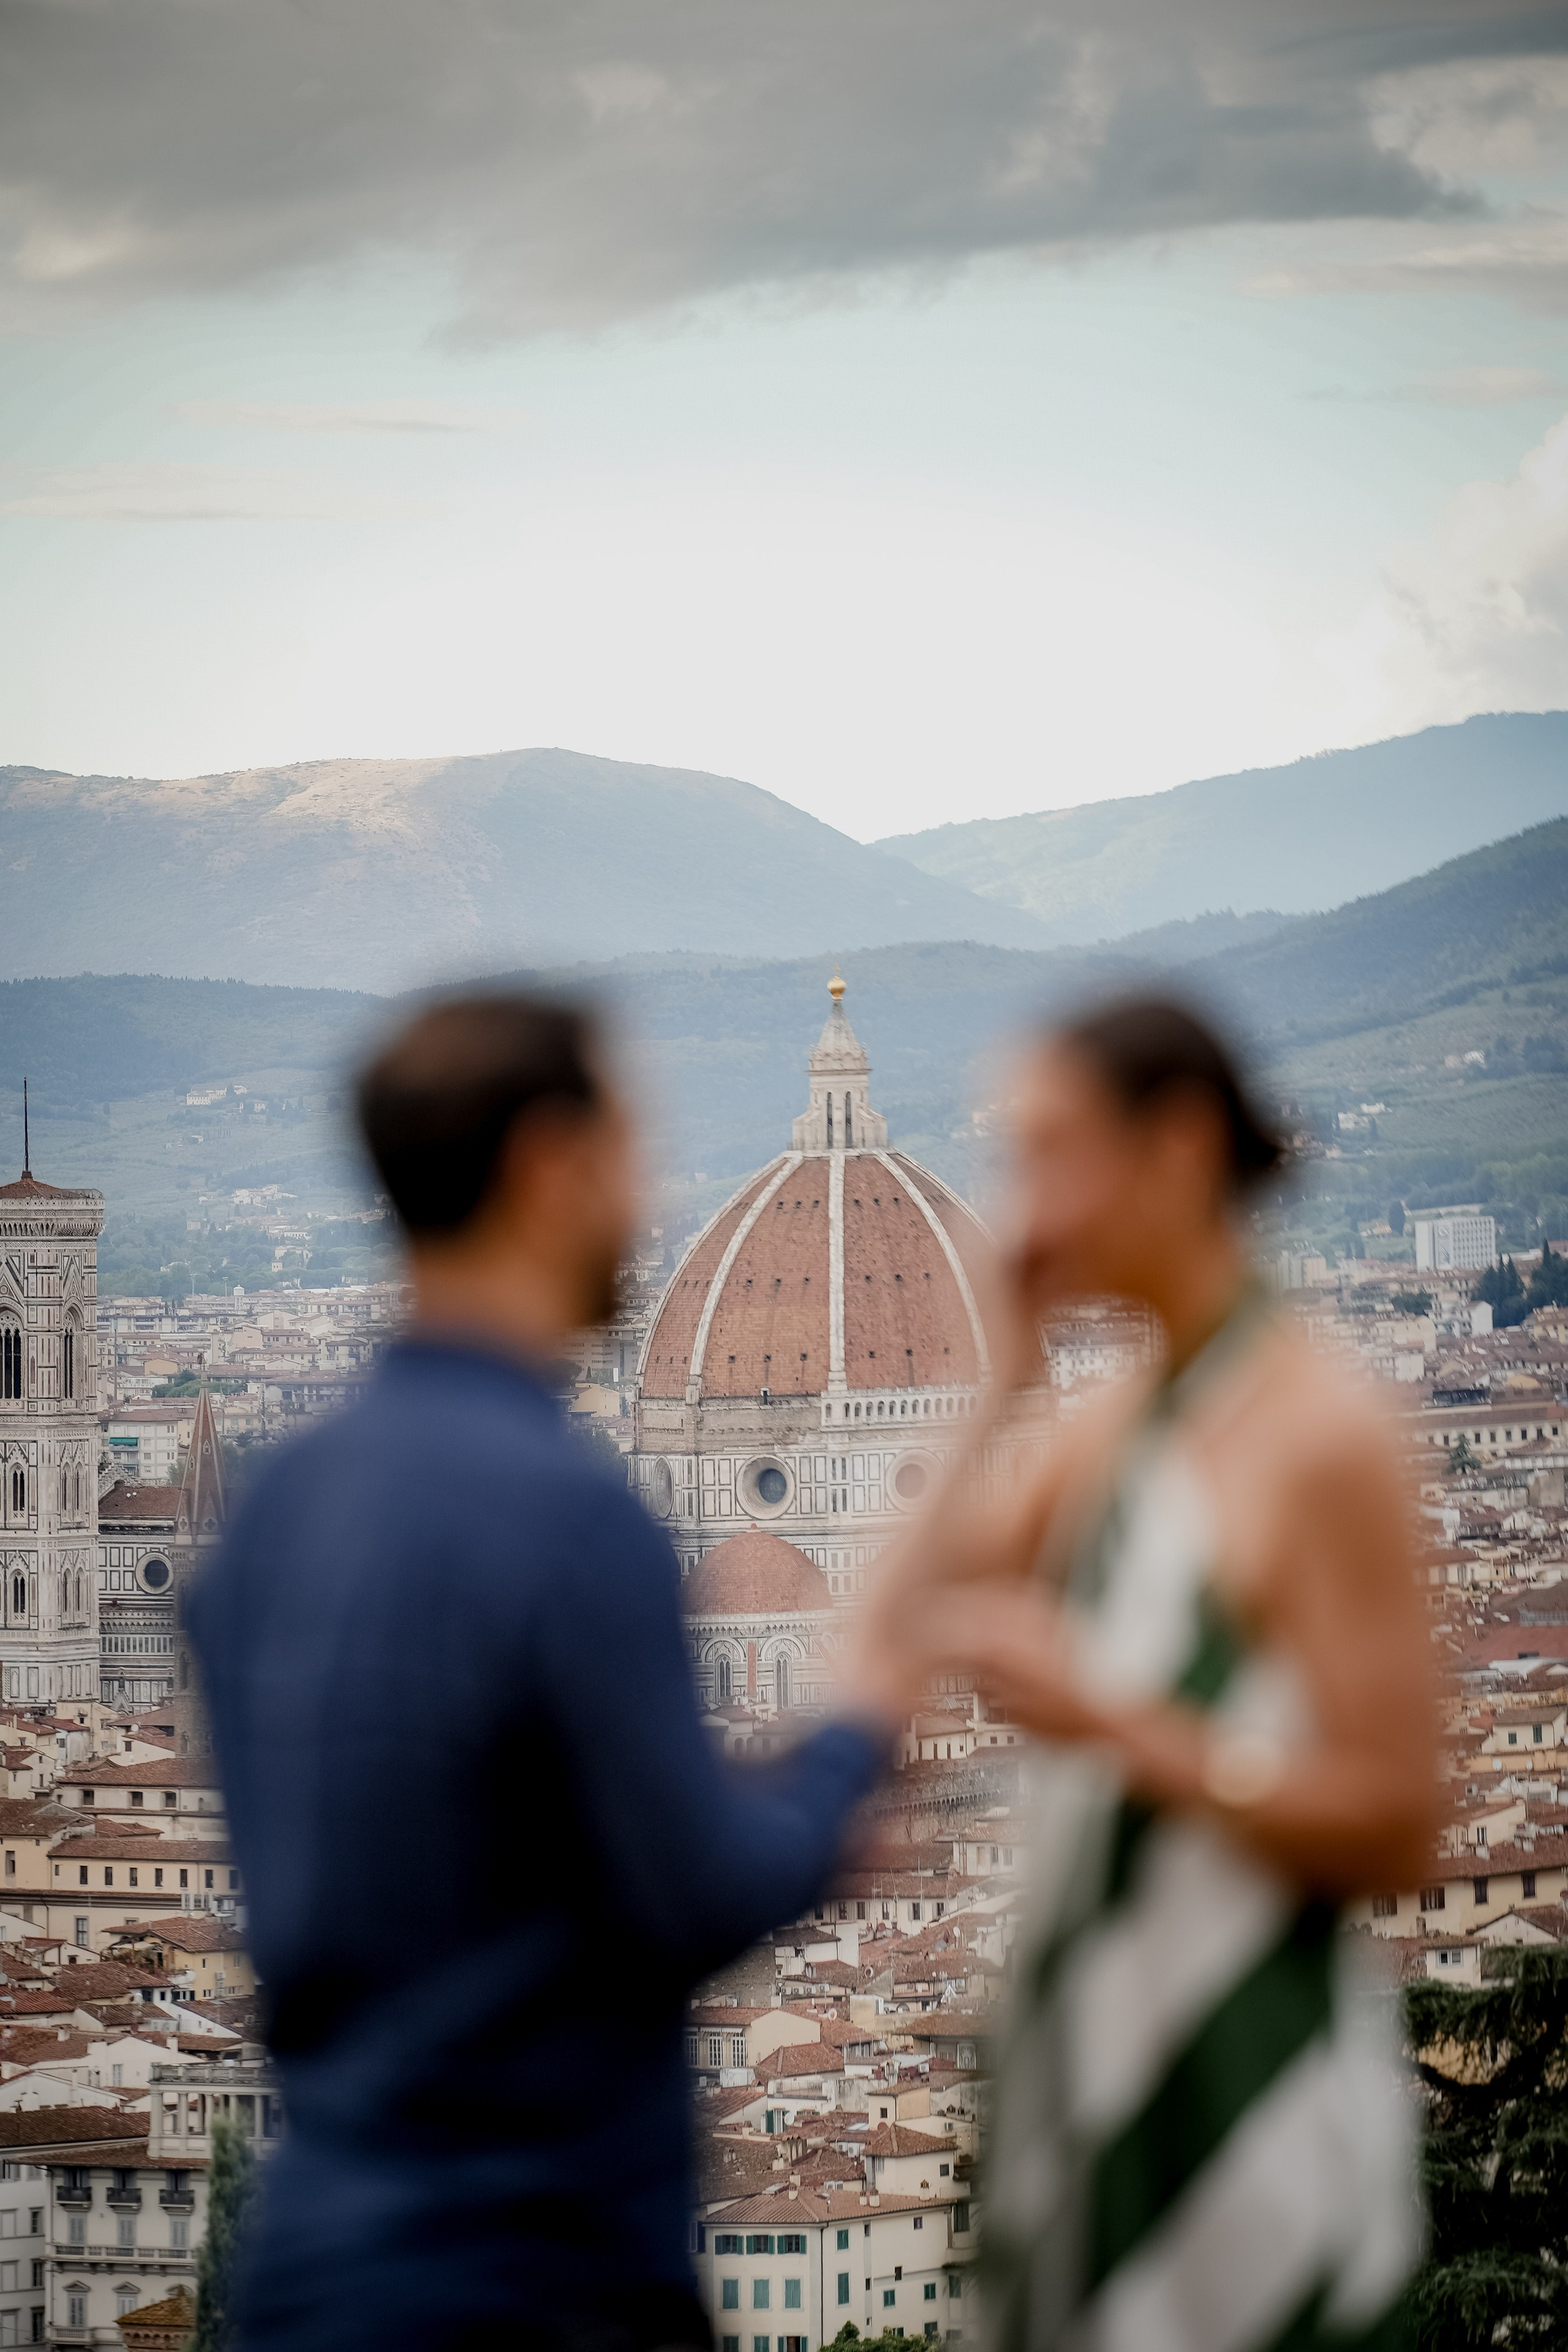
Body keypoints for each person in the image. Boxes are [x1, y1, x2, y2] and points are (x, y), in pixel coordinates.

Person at [185, 992, 908, 2352]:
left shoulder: (274, 1513)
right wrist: (851, 1735)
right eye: (628, 1151)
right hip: (535, 2278)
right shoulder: (567, 1514)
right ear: (545, 1165)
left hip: (309, 2268)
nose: (646, 1199)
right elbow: (701, 1889)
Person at [862, 997, 1438, 2352]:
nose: (1020, 1205)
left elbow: (1398, 1821)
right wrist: (994, 1370)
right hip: (1086, 2066)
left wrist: (1120, 1729)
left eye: (1050, 1153)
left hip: (1251, 2086)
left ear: (1175, 1149)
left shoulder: (1321, 1435)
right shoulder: (1107, 1427)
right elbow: (888, 1629)